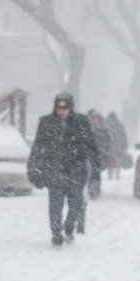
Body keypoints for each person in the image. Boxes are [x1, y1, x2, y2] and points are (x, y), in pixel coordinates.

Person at [27, 92, 100, 248]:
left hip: (76, 170)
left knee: (75, 206)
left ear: (71, 108)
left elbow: (91, 146)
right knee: (55, 206)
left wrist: (95, 169)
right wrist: (34, 168)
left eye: (65, 108)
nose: (62, 112)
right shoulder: (46, 122)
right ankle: (56, 234)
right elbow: (38, 146)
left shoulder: (81, 122)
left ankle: (69, 226)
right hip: (55, 170)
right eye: (59, 108)